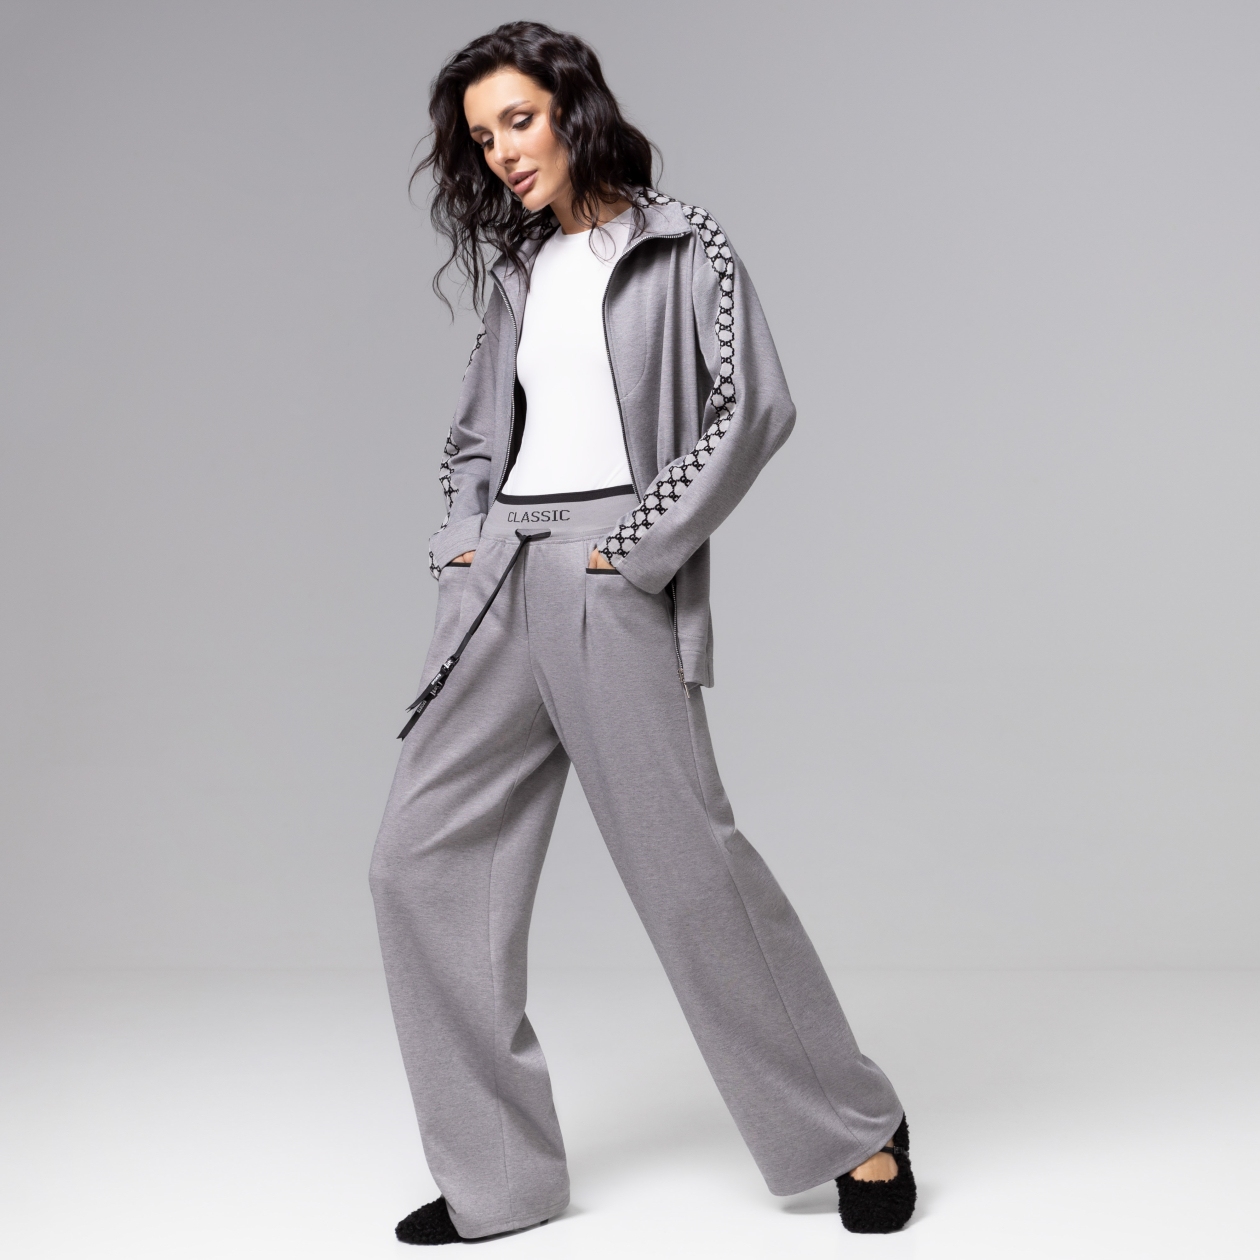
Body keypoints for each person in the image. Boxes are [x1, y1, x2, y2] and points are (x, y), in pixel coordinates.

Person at [369, 20, 916, 1245]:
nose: (505, 153)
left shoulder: (680, 243)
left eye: (519, 121)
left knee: (686, 871)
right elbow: (476, 433)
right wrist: (461, 537)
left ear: (574, 107)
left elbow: (753, 404)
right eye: (483, 138)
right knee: (418, 862)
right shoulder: (521, 271)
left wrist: (641, 544)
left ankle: (854, 1128)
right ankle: (499, 1180)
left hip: (610, 568)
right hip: (502, 572)